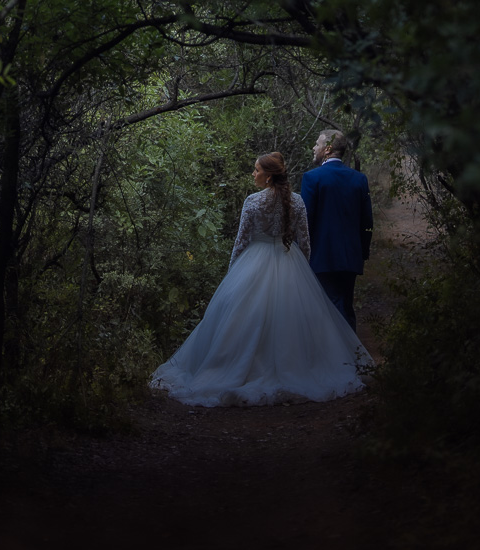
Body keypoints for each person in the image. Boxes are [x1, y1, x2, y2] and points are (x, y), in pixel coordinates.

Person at [150, 151, 372, 406]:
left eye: (256, 170)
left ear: (268, 177)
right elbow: (306, 241)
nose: (253, 174)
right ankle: (295, 366)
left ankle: (242, 366)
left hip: (254, 261)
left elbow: (241, 241)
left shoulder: (253, 202)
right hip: (290, 260)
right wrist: (305, 271)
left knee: (246, 317)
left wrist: (233, 273)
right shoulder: (297, 201)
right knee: (290, 318)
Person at [300, 129, 374, 331]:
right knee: (345, 306)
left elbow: (305, 220)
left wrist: (302, 253)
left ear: (327, 149)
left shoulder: (312, 178)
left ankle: (337, 358)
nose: (314, 148)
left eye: (317, 144)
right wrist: (362, 251)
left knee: (327, 311)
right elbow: (367, 221)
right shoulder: (359, 179)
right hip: (350, 256)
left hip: (320, 257)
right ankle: (353, 358)